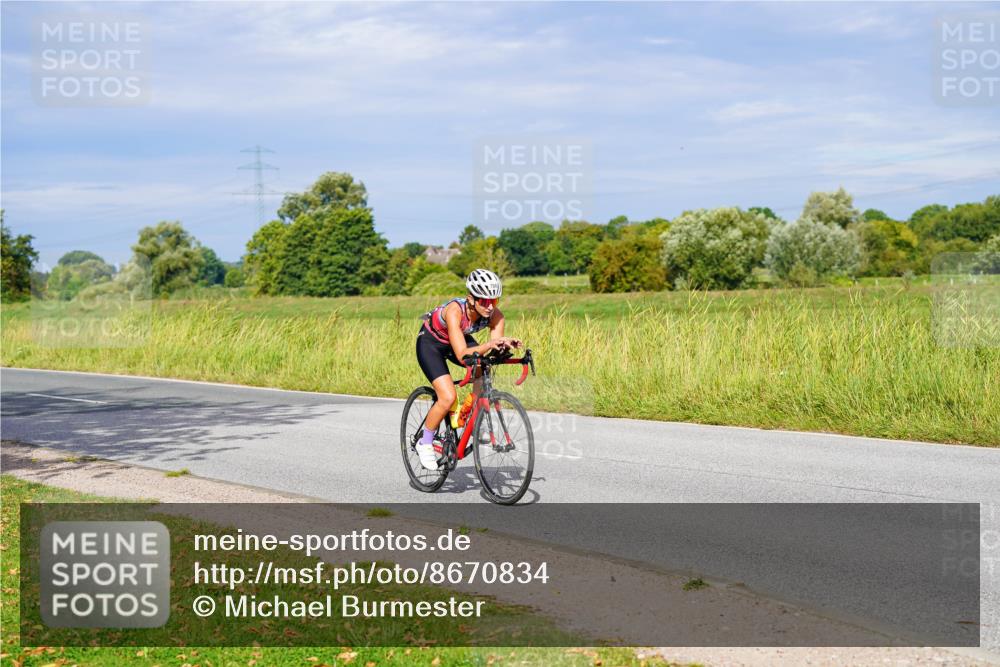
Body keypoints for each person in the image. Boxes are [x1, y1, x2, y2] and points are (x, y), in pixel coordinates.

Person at [414, 268, 521, 470]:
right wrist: (489, 345)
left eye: (494, 301)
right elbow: (463, 353)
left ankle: (472, 415)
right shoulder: (455, 311)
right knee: (447, 397)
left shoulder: (495, 315)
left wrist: (504, 345)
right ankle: (425, 442)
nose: (490, 307)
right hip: (431, 344)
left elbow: (492, 349)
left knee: (482, 367)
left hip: (458, 340)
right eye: (484, 301)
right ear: (471, 299)